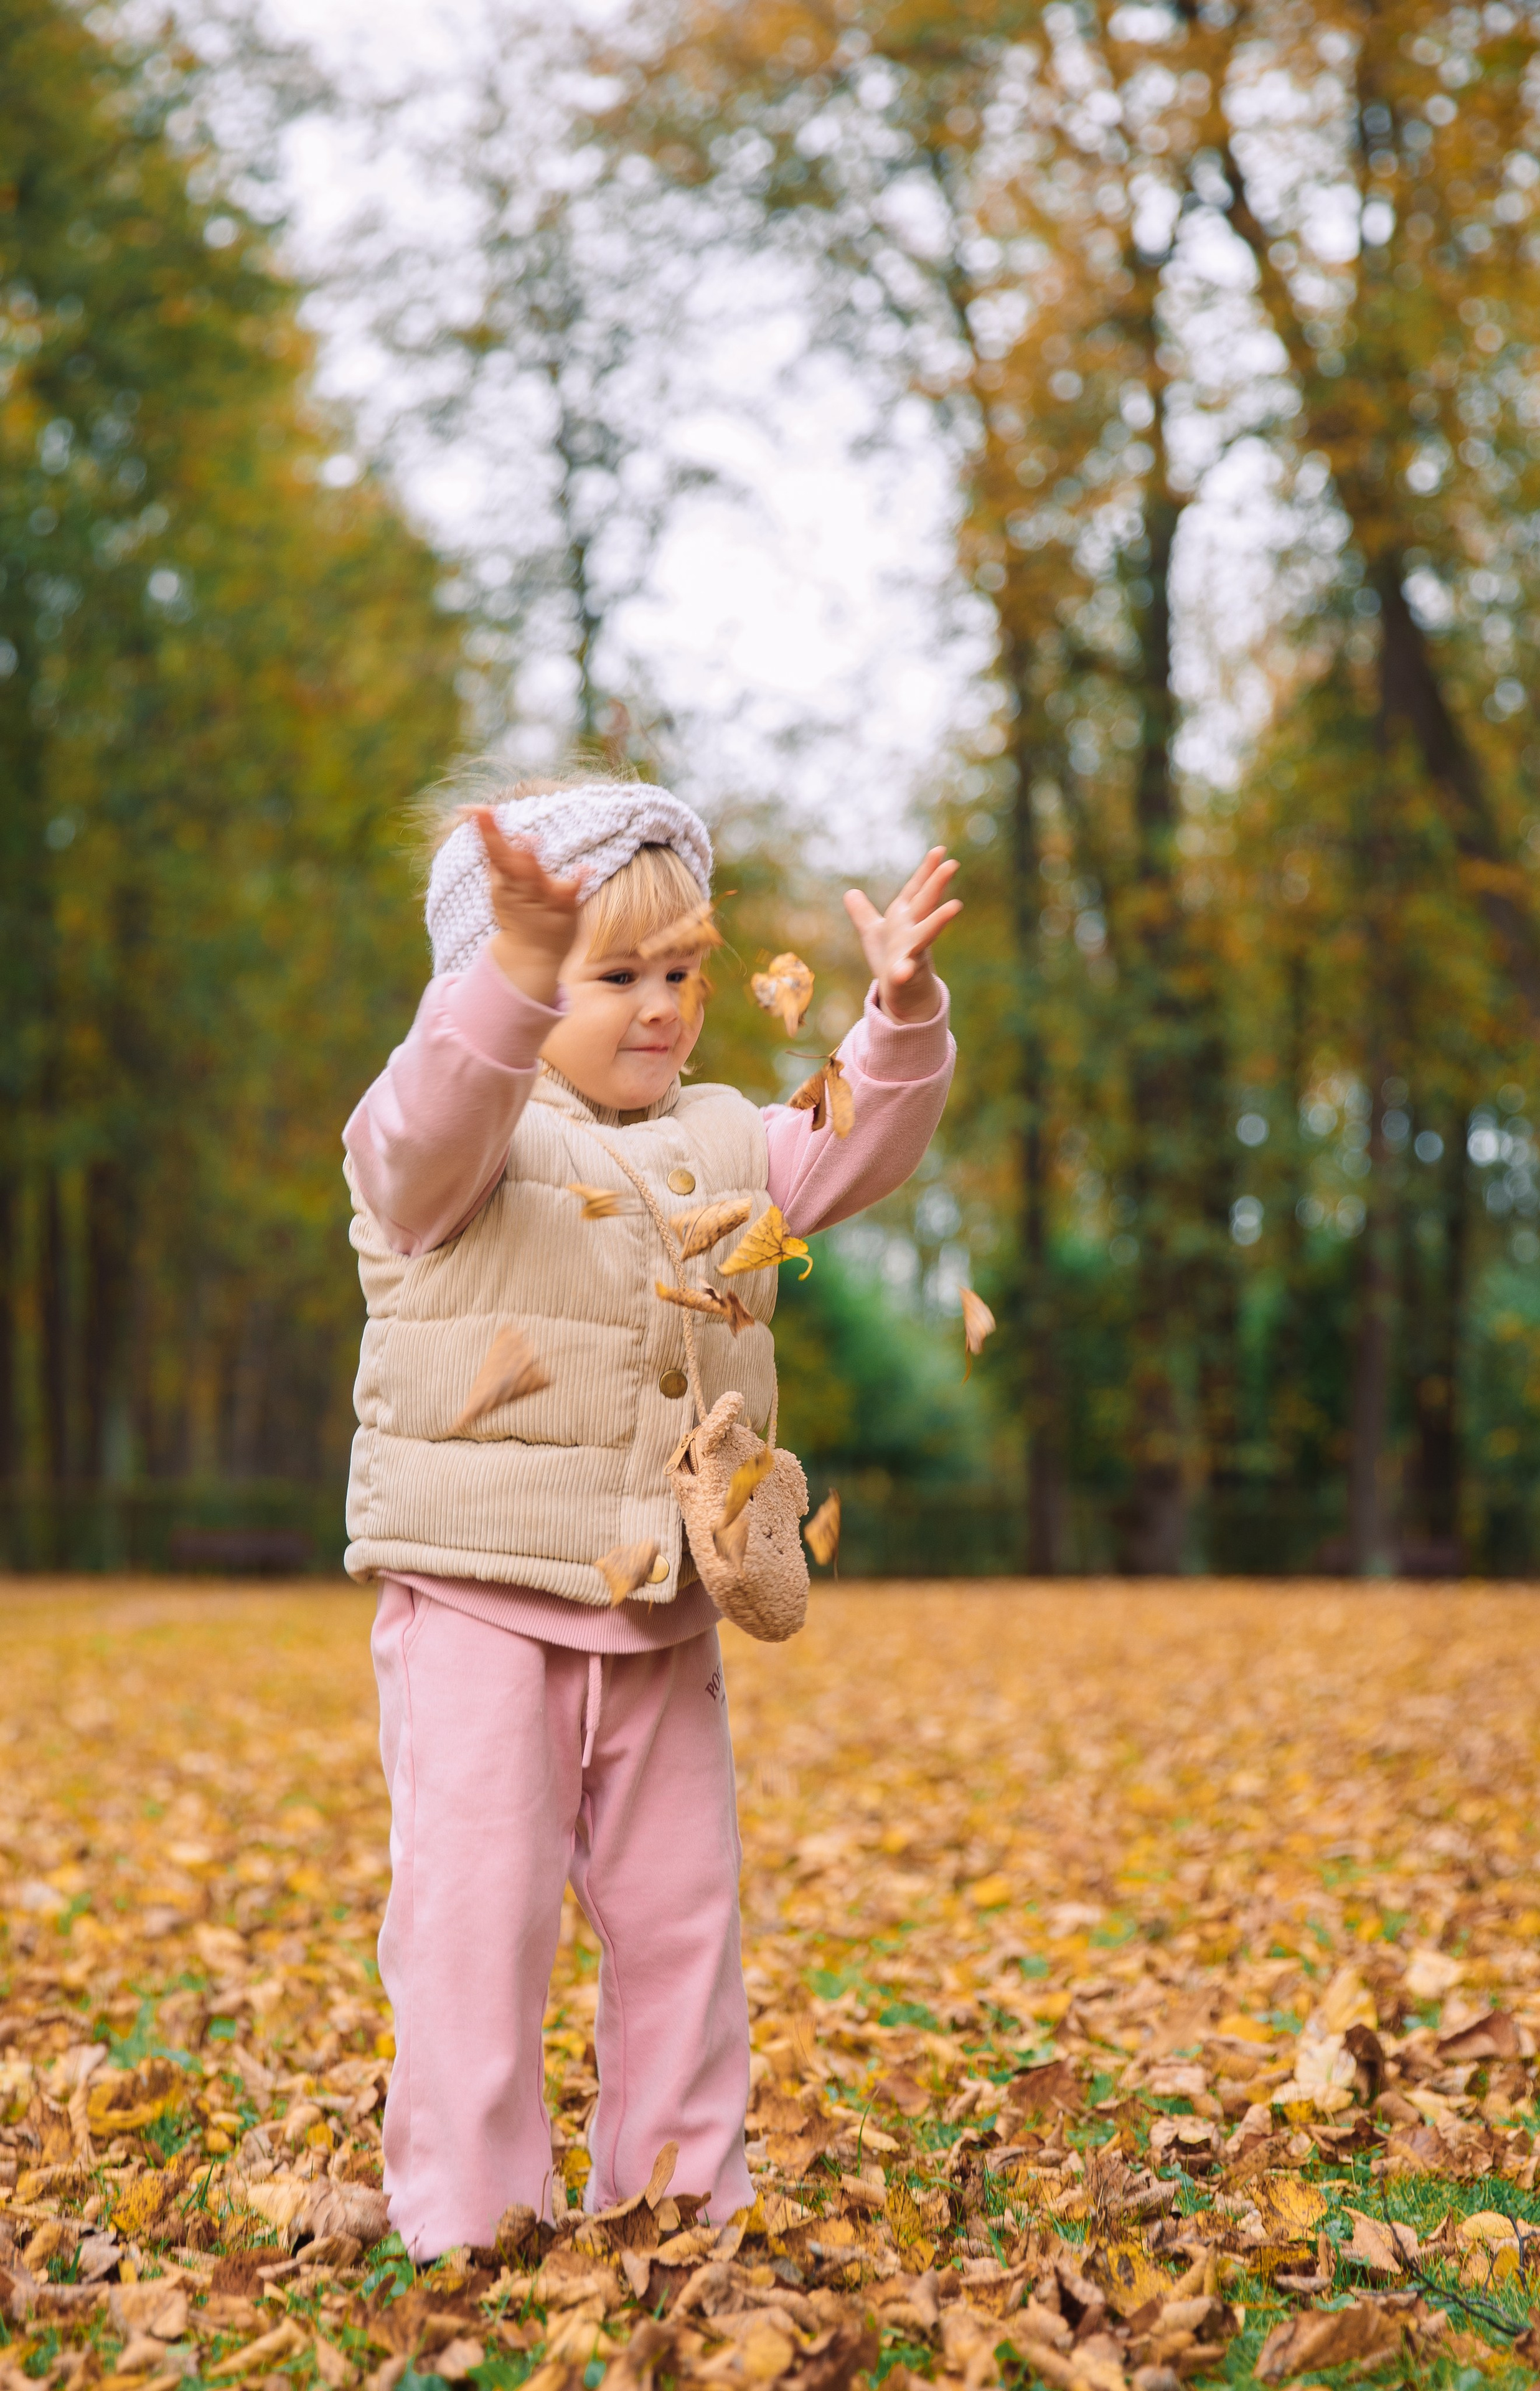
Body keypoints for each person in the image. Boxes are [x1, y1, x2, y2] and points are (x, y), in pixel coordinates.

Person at [342, 773, 959, 2260]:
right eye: (612, 976)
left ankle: (679, 2200)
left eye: (679, 970)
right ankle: (470, 2218)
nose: (660, 1005)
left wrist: (895, 1021)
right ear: (499, 983)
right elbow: (431, 1118)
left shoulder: (724, 1143)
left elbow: (851, 1149)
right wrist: (507, 978)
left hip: (663, 1609)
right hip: (482, 1601)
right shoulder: (453, 1145)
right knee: (476, 1930)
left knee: (683, 1921)